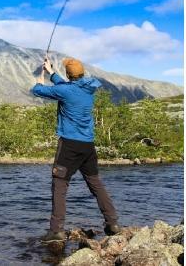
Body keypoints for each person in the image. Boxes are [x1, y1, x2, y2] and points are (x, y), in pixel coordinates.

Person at [31, 57, 121, 243]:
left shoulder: (66, 90)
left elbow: (38, 91)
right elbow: (66, 87)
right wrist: (52, 72)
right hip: (87, 146)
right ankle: (112, 223)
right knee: (95, 184)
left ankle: (56, 231)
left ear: (69, 75)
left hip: (69, 145)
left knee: (59, 184)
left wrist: (39, 80)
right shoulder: (88, 88)